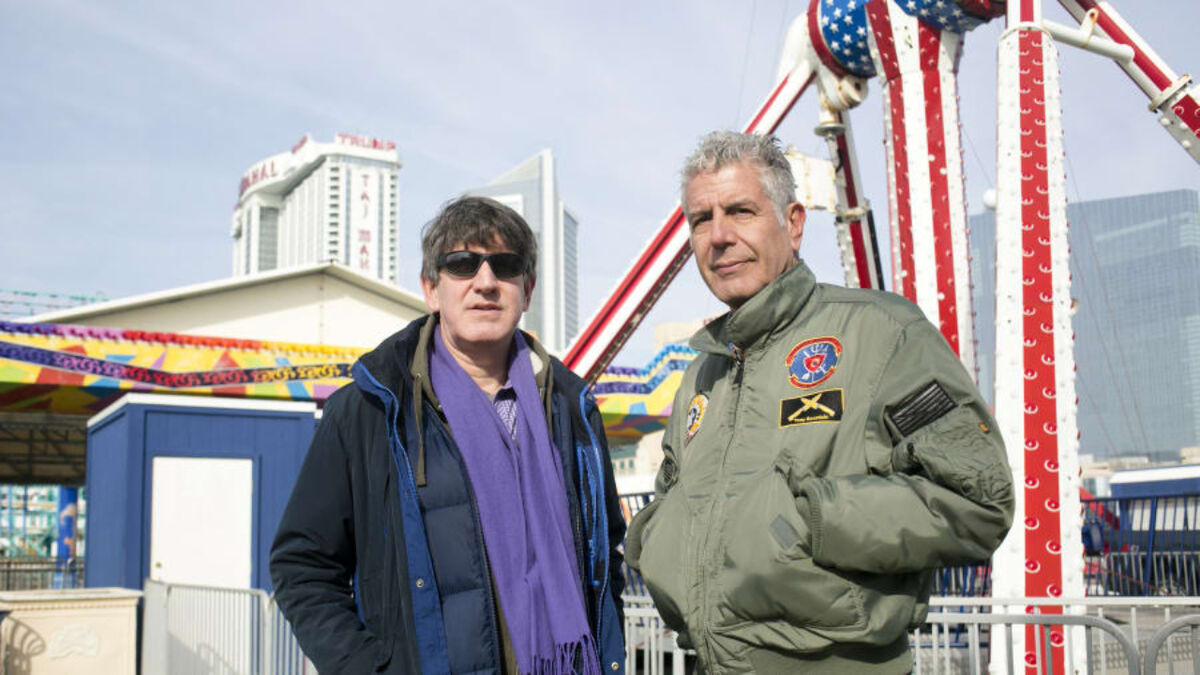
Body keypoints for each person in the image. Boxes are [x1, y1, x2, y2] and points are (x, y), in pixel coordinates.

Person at [625, 131, 1014, 674]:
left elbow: (978, 501)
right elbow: (672, 494)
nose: (718, 236)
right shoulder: (701, 375)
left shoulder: (881, 333)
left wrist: (806, 520)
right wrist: (655, 539)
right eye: (700, 219)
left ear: (794, 223)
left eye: (740, 211)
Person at [271, 196, 626, 674]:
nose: (485, 282)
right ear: (431, 290)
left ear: (528, 288)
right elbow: (303, 566)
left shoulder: (571, 408)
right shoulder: (370, 409)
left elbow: (605, 559)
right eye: (462, 265)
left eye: (504, 266)